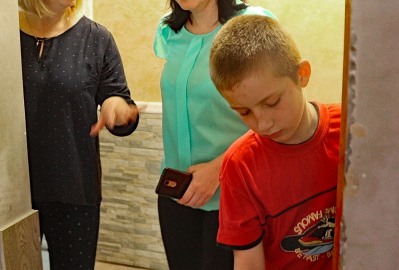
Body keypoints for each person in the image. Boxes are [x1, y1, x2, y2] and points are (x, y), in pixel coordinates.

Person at [209, 15, 341, 269]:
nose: (263, 124)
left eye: (271, 103)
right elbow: (248, 262)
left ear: (302, 74)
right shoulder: (240, 165)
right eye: (244, 112)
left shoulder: (349, 129)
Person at [153, 1, 275, 269]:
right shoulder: (168, 30)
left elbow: (273, 118)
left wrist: (220, 168)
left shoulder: (251, 24)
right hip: (177, 195)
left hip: (235, 195)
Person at [18, 0, 139, 268]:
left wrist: (117, 108)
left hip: (74, 189)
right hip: (11, 192)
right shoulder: (0, 36)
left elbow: (120, 102)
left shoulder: (96, 38)